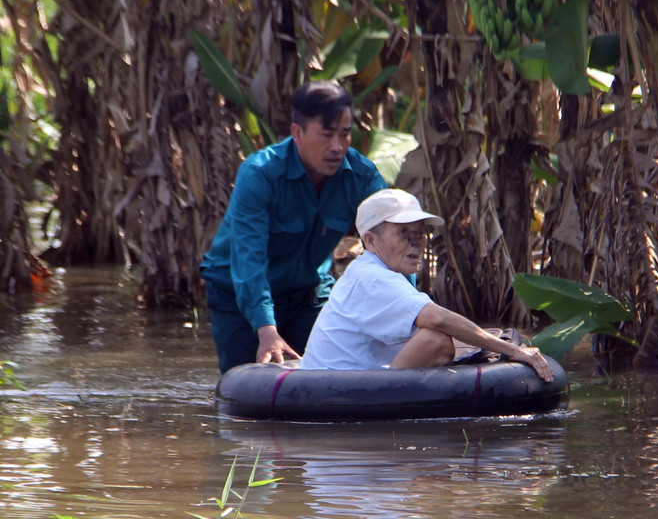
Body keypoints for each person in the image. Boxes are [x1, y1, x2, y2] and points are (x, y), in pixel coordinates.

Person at [201, 81, 387, 374]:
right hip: (238, 296)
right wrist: (265, 329)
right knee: (245, 391)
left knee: (332, 377)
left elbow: (393, 243)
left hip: (308, 294)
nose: (337, 147)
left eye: (345, 134)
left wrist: (407, 313)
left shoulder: (362, 177)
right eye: (326, 135)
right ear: (297, 133)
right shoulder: (259, 174)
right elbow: (249, 261)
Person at [300, 188, 554, 382]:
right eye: (403, 233)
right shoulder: (372, 277)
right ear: (370, 240)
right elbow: (436, 319)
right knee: (436, 340)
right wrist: (513, 351)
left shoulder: (370, 271)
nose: (417, 243)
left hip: (341, 382)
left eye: (419, 233)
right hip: (332, 392)